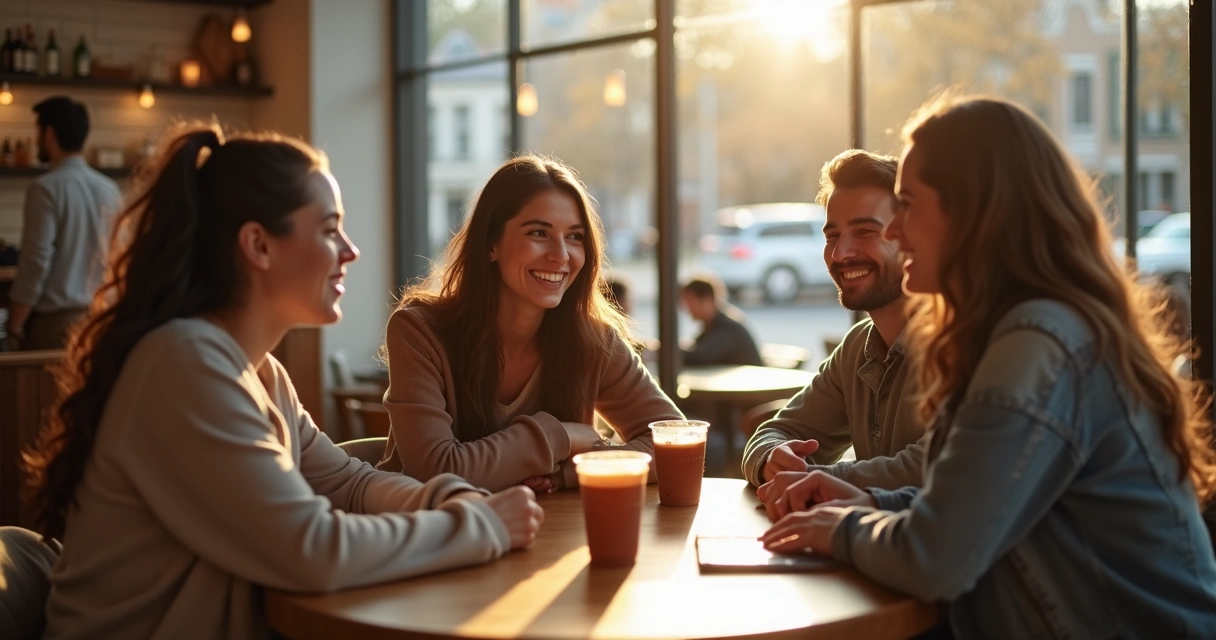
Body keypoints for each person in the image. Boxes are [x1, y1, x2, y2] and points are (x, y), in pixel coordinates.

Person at [25, 124, 543, 640]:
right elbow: (309, 550)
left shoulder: (259, 371)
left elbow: (349, 485)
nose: (350, 250)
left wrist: (453, 497)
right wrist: (485, 527)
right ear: (259, 245)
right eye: (329, 229)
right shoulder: (182, 363)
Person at [760, 95, 1216, 637]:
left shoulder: (1038, 339)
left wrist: (841, 527)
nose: (896, 230)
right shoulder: (1014, 330)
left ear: (974, 211)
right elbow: (976, 500)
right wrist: (870, 499)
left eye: (907, 205)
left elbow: (937, 557)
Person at [378, 155, 683, 493]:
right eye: (539, 233)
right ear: (491, 244)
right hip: (433, 535)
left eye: (574, 236)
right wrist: (562, 436)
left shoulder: (593, 339)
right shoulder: (419, 331)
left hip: (546, 536)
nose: (561, 255)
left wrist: (570, 474)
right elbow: (434, 471)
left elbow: (675, 444)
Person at [744, 150, 923, 494]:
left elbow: (933, 469)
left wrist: (812, 481)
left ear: (910, 236)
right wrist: (772, 459)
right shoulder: (858, 346)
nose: (840, 253)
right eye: (832, 236)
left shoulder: (959, 342)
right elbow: (773, 433)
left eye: (866, 231)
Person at [5, 96, 121, 350]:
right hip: (101, 319)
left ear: (49, 133)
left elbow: (36, 262)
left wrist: (15, 322)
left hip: (56, 324)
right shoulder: (109, 189)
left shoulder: (46, 188)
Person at [680, 275, 763, 366]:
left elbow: (700, 358)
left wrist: (666, 352)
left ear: (707, 300)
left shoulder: (727, 328)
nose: (688, 308)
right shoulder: (715, 325)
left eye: (690, 302)